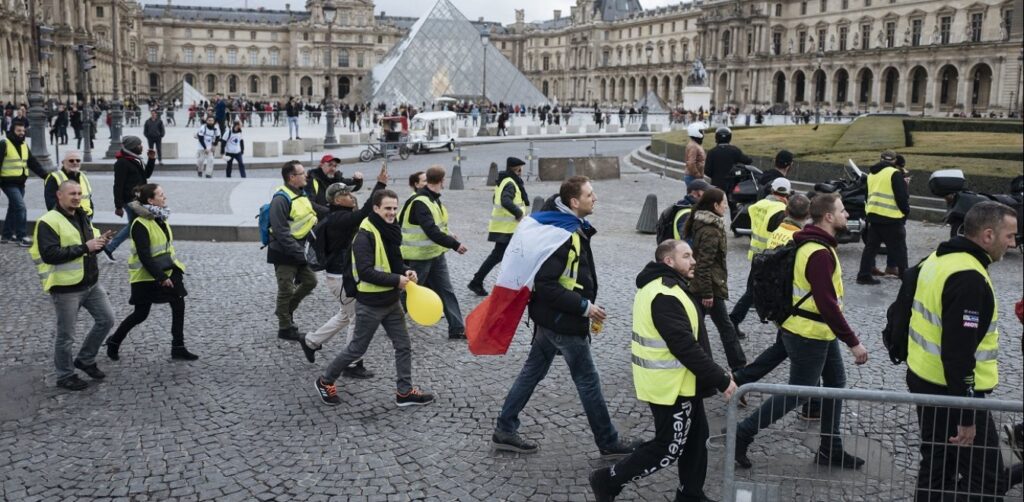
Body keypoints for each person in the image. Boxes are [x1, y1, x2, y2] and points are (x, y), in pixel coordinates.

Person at [491, 176, 637, 458]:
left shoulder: (567, 226)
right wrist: (585, 306)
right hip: (563, 320)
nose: (595, 198)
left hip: (552, 319)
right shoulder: (561, 234)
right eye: (590, 194)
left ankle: (504, 429)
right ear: (574, 202)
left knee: (531, 374)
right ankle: (608, 442)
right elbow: (547, 285)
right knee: (587, 380)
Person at [589, 239, 737, 502]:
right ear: (669, 261)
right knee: (668, 447)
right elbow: (685, 347)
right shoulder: (664, 294)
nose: (693, 261)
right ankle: (608, 480)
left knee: (696, 439)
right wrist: (721, 379)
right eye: (686, 256)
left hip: (683, 382)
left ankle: (690, 494)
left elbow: (692, 339)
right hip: (670, 386)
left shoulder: (672, 287)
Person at [734, 193, 869, 470]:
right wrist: (853, 342)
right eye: (843, 211)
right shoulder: (818, 253)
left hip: (815, 330)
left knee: (835, 386)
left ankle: (831, 449)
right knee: (799, 393)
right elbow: (827, 304)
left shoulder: (814, 244)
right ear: (828, 217)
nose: (847, 215)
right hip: (809, 333)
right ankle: (743, 433)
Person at [907, 201, 1023, 500]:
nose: (1013, 244)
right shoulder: (969, 277)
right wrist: (968, 415)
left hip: (924, 378)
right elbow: (959, 354)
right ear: (987, 235)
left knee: (937, 467)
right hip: (953, 392)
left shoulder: (939, 258)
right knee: (986, 480)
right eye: (1009, 236)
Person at [313, 189, 435, 407]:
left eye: (395, 208)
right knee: (356, 350)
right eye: (387, 208)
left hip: (391, 301)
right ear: (376, 208)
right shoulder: (364, 235)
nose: (392, 212)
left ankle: (404, 392)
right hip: (370, 304)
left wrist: (406, 271)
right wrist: (397, 280)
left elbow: (395, 263)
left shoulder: (390, 230)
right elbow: (366, 271)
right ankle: (325, 381)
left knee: (403, 345)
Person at [297, 166, 387, 376]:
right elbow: (366, 211)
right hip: (340, 278)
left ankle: (311, 341)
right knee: (357, 317)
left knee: (345, 316)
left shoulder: (338, 215)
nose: (350, 195)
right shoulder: (339, 219)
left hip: (342, 276)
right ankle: (352, 363)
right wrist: (380, 184)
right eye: (346, 194)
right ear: (337, 200)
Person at [30, 180, 116, 390]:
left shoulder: (82, 215)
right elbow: (50, 254)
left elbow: (88, 245)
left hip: (90, 283)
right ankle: (65, 375)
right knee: (66, 335)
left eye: (79, 193)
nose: (77, 197)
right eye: (72, 194)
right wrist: (85, 247)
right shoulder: (48, 221)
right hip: (66, 288)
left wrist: (98, 242)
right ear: (59, 196)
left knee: (106, 320)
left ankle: (85, 360)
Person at [104, 184, 198, 361]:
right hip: (146, 276)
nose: (165, 197)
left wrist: (169, 272)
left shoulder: (160, 217)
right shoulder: (140, 224)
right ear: (150, 200)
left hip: (169, 269)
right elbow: (144, 255)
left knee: (178, 304)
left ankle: (178, 346)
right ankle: (114, 341)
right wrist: (161, 277)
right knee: (141, 313)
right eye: (161, 195)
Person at [399, 165, 467, 340]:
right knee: (409, 292)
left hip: (435, 254)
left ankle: (457, 329)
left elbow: (438, 226)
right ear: (442, 181)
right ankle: (389, 320)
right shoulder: (421, 202)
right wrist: (454, 244)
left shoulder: (433, 199)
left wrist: (449, 234)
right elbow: (431, 230)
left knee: (446, 290)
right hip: (419, 256)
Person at [683, 188, 747, 370]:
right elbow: (703, 265)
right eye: (724, 202)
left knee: (696, 327)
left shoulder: (703, 223)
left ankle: (697, 364)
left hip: (703, 286)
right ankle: (739, 369)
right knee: (725, 329)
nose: (727, 206)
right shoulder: (711, 230)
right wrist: (708, 293)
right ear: (715, 205)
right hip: (708, 287)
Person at [729, 177, 792, 338]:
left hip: (757, 255)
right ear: (787, 193)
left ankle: (733, 321)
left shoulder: (759, 205)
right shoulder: (780, 210)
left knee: (752, 292)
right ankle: (785, 330)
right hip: (771, 258)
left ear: (772, 190)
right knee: (776, 294)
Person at [268, 161, 318, 341]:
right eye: (302, 173)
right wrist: (298, 252)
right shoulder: (281, 199)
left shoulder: (300, 193)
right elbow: (280, 231)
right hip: (283, 251)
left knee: (310, 281)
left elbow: (312, 212)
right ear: (292, 177)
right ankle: (285, 327)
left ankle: (286, 311)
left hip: (297, 249)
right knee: (286, 289)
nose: (306, 176)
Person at [467, 157, 529, 296]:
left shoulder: (504, 181)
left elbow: (496, 199)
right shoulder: (510, 183)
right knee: (506, 256)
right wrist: (518, 213)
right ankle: (478, 282)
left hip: (506, 228)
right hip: (507, 228)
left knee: (507, 256)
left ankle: (479, 282)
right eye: (521, 168)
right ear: (518, 169)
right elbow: (504, 200)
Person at [857, 150, 910, 285]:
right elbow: (901, 197)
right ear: (894, 161)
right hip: (891, 218)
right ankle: (906, 278)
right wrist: (905, 211)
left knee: (871, 248)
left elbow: (867, 195)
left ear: (880, 159)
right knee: (900, 249)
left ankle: (863, 275)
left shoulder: (871, 174)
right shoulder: (894, 174)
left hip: (874, 216)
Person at [105, 136, 156, 260]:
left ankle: (111, 248)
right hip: (130, 200)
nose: (142, 147)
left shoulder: (136, 159)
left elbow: (146, 175)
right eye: (139, 145)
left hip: (139, 199)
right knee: (135, 225)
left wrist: (151, 159)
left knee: (134, 225)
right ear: (133, 147)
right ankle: (112, 247)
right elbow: (118, 185)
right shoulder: (122, 162)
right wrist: (118, 206)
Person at [1, 122, 49, 246]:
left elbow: (32, 163)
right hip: (7, 183)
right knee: (20, 207)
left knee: (13, 208)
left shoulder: (24, 145)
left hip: (20, 183)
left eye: (23, 131)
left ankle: (6, 235)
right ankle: (21, 236)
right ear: (12, 131)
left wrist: (46, 176)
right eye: (19, 131)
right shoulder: (4, 144)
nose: (22, 133)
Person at [704, 126, 752, 214]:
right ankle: (735, 225)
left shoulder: (712, 152)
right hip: (732, 185)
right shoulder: (735, 151)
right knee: (734, 208)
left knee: (715, 208)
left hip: (717, 184)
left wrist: (715, 175)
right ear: (729, 137)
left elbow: (707, 170)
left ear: (716, 138)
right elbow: (748, 161)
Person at [44, 151, 93, 219]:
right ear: (63, 163)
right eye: (71, 161)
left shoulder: (83, 176)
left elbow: (88, 198)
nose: (75, 163)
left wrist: (91, 214)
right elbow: (51, 203)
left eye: (78, 160)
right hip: (65, 218)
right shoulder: (54, 177)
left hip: (86, 218)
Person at [662, 179, 710, 245]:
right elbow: (687, 242)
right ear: (695, 194)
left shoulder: (686, 207)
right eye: (706, 193)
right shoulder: (687, 214)